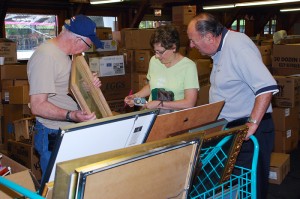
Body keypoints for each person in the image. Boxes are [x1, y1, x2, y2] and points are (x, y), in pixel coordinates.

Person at [187, 13, 279, 199]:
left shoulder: (237, 46)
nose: (191, 45)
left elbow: (266, 87)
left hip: (250, 130)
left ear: (209, 37)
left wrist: (251, 124)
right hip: (232, 128)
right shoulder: (219, 50)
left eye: (193, 40)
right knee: (235, 186)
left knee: (251, 186)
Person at [27, 14, 103, 177]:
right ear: (78, 40)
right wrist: (72, 115)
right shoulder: (46, 56)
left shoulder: (65, 55)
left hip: (66, 129)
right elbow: (37, 105)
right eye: (88, 45)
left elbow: (65, 88)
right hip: (53, 134)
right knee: (56, 186)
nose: (86, 50)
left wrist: (87, 85)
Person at [124, 25, 199, 113]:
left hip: (175, 118)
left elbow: (189, 103)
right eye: (155, 51)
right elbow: (152, 85)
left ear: (173, 47)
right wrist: (136, 96)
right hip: (152, 115)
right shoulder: (154, 61)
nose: (156, 56)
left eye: (160, 52)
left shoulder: (188, 66)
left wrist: (160, 104)